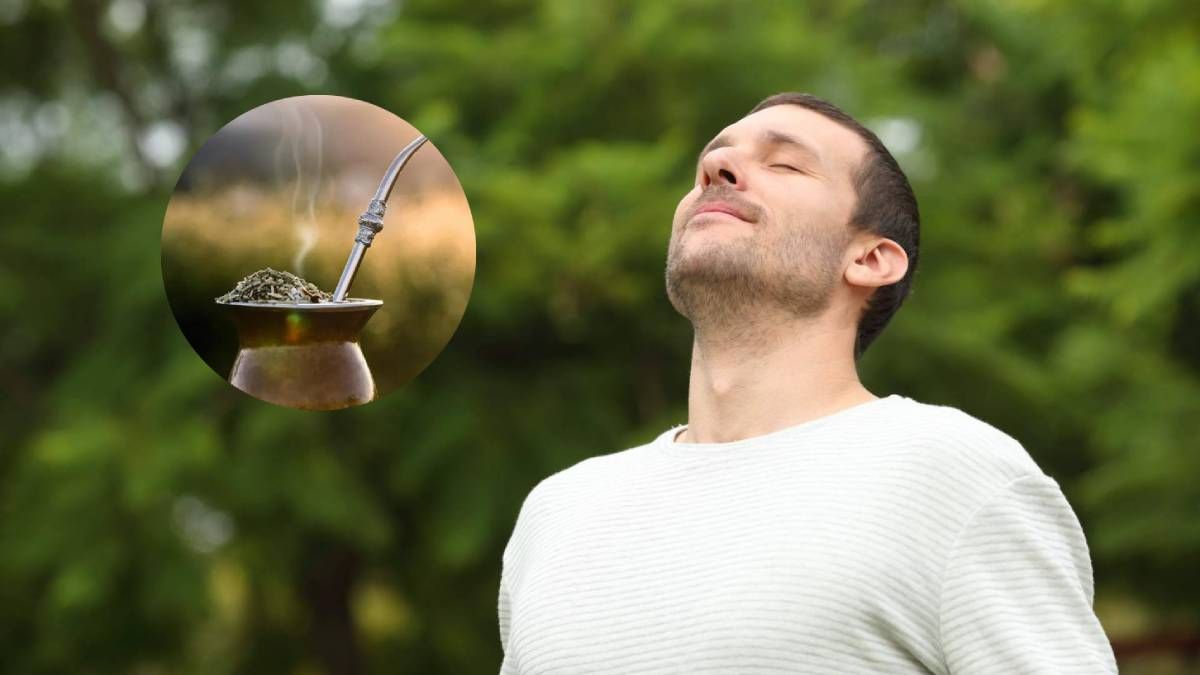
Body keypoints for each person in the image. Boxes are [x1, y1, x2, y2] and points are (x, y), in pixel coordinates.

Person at [497, 92, 1118, 674]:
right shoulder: (559, 511)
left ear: (871, 259)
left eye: (786, 165)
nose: (719, 167)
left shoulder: (954, 475)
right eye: (713, 159)